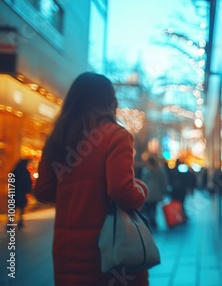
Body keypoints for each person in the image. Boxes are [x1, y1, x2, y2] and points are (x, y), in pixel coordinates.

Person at [33, 72, 149, 286]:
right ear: (110, 102)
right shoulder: (116, 136)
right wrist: (140, 190)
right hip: (108, 251)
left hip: (67, 252)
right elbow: (121, 191)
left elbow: (42, 191)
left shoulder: (57, 138)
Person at [141, 156, 168, 229]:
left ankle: (150, 219)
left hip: (148, 191)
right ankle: (152, 218)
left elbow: (143, 181)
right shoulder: (160, 170)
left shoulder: (145, 170)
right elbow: (163, 181)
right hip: (157, 192)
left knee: (148, 207)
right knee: (154, 207)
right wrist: (164, 190)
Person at [7, 159, 32, 230]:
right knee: (21, 208)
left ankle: (10, 223)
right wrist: (28, 190)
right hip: (21, 192)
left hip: (14, 192)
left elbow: (11, 182)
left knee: (12, 208)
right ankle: (20, 222)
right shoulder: (25, 172)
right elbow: (28, 182)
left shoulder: (14, 172)